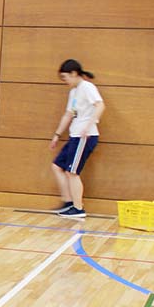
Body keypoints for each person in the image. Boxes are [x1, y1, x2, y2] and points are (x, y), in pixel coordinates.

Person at [48, 59, 105, 219]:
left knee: (72, 172)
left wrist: (90, 124)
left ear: (74, 74)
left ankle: (78, 208)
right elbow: (68, 114)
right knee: (57, 166)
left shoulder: (87, 87)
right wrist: (57, 135)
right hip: (74, 136)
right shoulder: (73, 92)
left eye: (65, 77)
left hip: (84, 137)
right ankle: (68, 202)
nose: (64, 81)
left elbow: (100, 105)